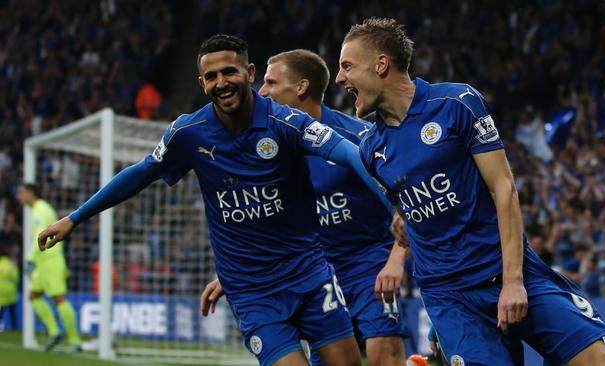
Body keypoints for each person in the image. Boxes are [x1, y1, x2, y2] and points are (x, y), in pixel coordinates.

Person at [38, 34, 393, 366]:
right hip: (253, 292)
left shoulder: (286, 122)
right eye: (211, 76)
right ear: (201, 84)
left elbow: (348, 152)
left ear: (249, 72)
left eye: (229, 71)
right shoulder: (188, 133)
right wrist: (76, 217)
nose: (221, 82)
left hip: (310, 275)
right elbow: (141, 172)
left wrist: (396, 206)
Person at [335, 18, 605, 365]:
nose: (339, 79)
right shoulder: (371, 148)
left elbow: (504, 188)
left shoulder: (457, 103)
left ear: (381, 64)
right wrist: (439, 322)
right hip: (453, 298)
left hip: (511, 272)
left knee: (598, 360)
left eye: (347, 66)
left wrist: (513, 282)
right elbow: (411, 216)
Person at [260, 49, 408, 365]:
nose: (262, 92)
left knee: (386, 352)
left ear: (301, 87)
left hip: (369, 262)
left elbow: (403, 201)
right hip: (317, 271)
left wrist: (396, 260)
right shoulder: (269, 150)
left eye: (271, 82)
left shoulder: (357, 137)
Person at [17, 183, 81, 351]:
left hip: (51, 260)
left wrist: (30, 259)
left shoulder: (41, 209)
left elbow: (40, 236)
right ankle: (54, 332)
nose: (19, 196)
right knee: (33, 296)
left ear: (31, 193)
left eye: (22, 192)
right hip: (43, 262)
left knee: (59, 298)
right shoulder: (38, 209)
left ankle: (75, 341)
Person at [0, 244, 18, 331]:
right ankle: (14, 328)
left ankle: (1, 325)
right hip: (10, 293)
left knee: (1, 312)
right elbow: (16, 277)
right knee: (12, 312)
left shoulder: (0, 264)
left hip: (1, 293)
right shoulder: (11, 264)